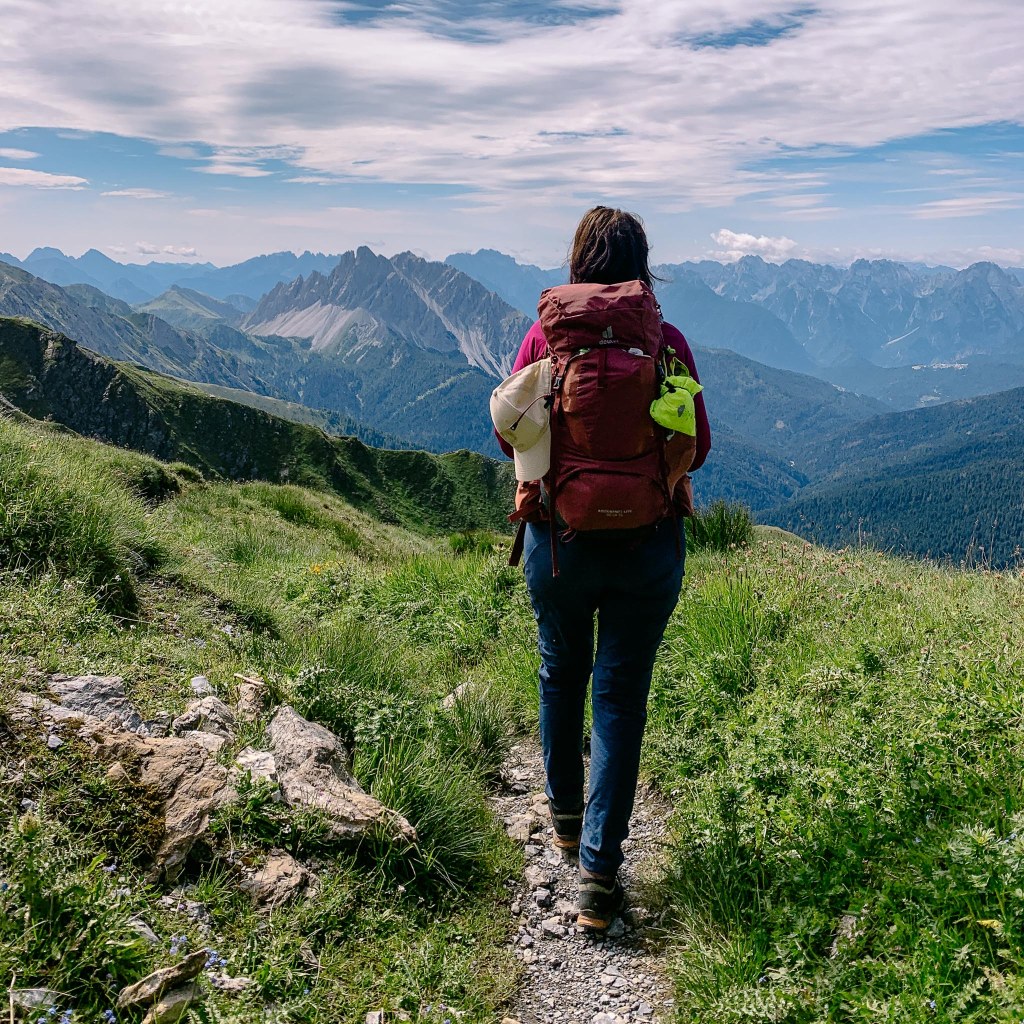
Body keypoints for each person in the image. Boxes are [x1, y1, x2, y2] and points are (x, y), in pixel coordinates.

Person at [496, 206, 711, 931]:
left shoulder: (545, 338)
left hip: (561, 544)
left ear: (578, 262)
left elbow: (509, 434)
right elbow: (699, 444)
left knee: (561, 672)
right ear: (641, 265)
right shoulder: (667, 341)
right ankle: (598, 875)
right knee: (619, 697)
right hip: (648, 546)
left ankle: (560, 817)